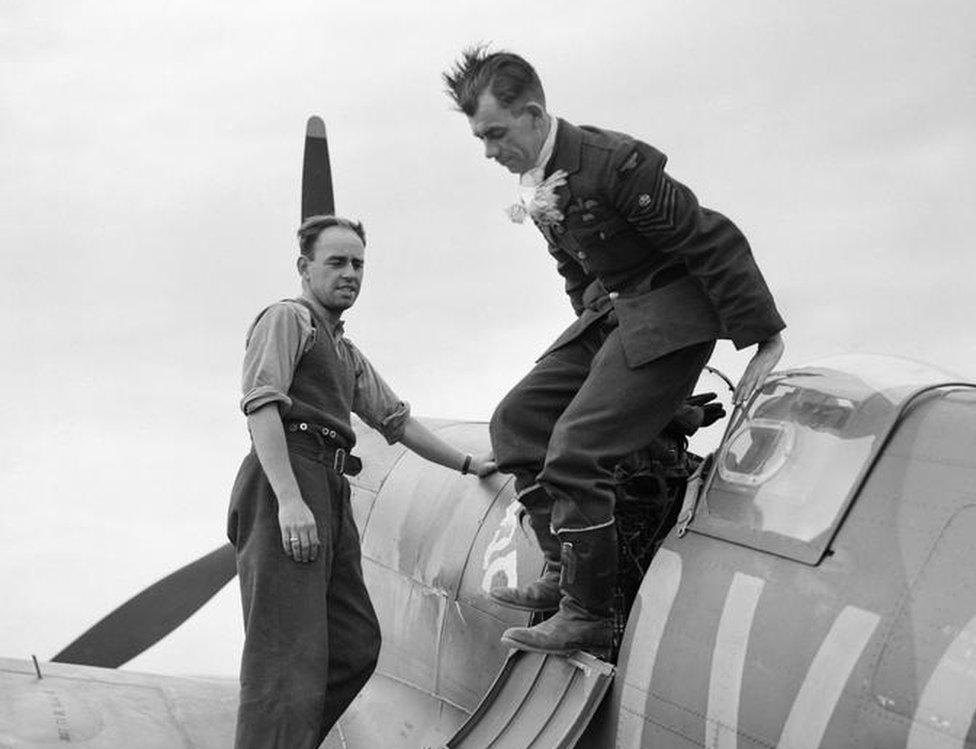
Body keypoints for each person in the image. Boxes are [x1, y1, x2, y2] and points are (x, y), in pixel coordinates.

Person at [442, 48, 785, 657]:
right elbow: (576, 269)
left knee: (575, 451)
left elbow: (710, 237)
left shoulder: (614, 164)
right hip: (617, 316)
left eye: (495, 133)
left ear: (533, 114)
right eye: (479, 138)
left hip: (672, 318)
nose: (489, 151)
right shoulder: (538, 182)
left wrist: (763, 336)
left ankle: (590, 611)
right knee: (516, 422)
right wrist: (602, 369)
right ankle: (562, 569)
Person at [225, 214, 495, 749]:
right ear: (305, 268)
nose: (350, 273)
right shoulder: (287, 319)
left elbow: (397, 422)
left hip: (331, 486)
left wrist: (471, 465)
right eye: (337, 262)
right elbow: (261, 407)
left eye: (358, 264)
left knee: (354, 643)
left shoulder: (344, 352)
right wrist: (288, 501)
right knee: (286, 654)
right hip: (288, 477)